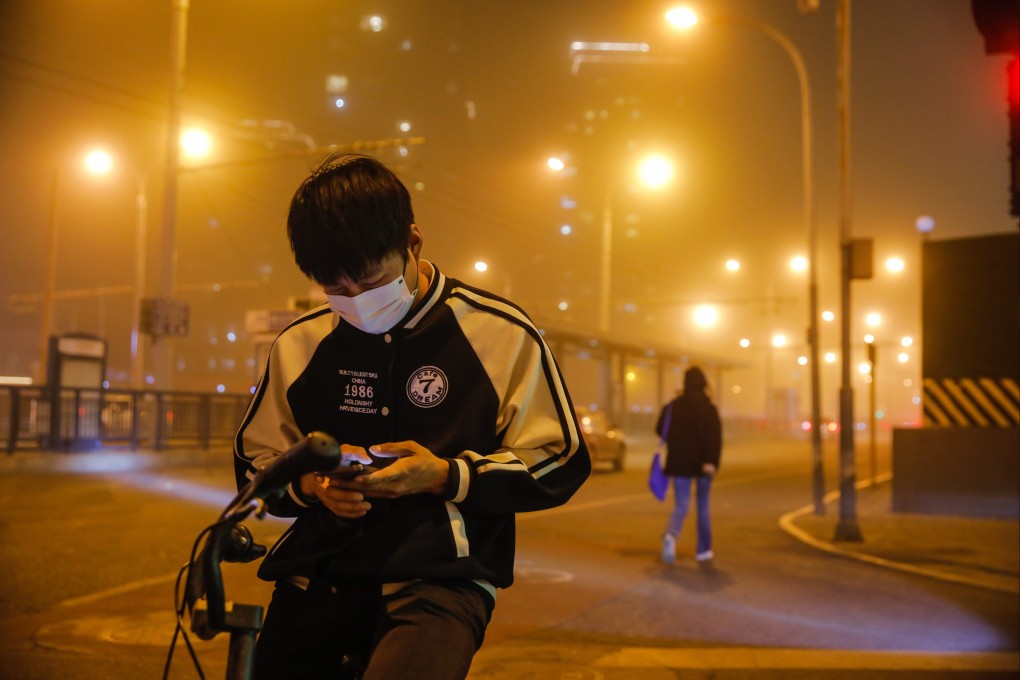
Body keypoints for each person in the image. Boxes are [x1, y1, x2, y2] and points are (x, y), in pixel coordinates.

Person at [233, 153, 591, 680]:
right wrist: (312, 486)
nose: (355, 301)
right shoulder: (299, 344)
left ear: (413, 242)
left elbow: (561, 459)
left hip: (440, 581)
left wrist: (447, 475)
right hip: (317, 578)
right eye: (337, 291)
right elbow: (253, 466)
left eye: (372, 282)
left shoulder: (499, 334)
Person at [654, 366, 721, 565]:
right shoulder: (709, 408)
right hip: (703, 464)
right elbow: (715, 439)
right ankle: (703, 551)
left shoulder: (673, 406)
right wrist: (712, 461)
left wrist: (676, 442)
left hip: (679, 463)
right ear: (703, 384)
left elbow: (660, 429)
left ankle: (671, 535)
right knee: (702, 507)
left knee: (681, 505)